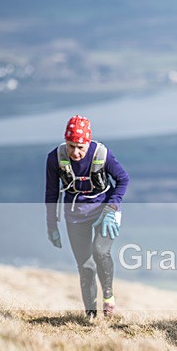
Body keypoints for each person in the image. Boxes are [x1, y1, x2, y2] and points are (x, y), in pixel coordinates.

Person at [45, 115, 130, 320]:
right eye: (71, 145)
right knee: (85, 266)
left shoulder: (102, 154)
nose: (75, 152)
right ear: (65, 141)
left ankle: (108, 298)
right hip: (75, 214)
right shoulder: (54, 158)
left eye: (80, 147)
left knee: (100, 252)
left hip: (105, 211)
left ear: (88, 142)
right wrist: (51, 227)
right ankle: (90, 317)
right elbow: (51, 193)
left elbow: (123, 179)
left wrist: (112, 208)